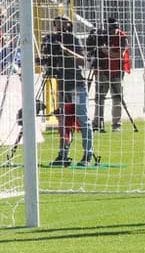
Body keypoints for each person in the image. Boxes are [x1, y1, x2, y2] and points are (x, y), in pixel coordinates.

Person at [38, 15, 94, 167]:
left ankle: (87, 155)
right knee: (63, 122)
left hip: (76, 85)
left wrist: (65, 50)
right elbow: (47, 60)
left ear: (68, 24)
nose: (58, 25)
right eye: (56, 22)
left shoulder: (73, 39)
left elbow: (83, 61)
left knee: (83, 120)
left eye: (62, 22)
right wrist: (39, 58)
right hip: (62, 86)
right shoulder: (51, 39)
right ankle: (63, 155)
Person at [88, 17, 129, 133]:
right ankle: (97, 123)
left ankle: (116, 125)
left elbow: (120, 55)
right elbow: (92, 50)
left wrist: (107, 52)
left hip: (117, 71)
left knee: (117, 98)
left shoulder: (122, 37)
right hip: (103, 70)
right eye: (109, 29)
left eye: (113, 29)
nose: (111, 32)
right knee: (99, 97)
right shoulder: (103, 36)